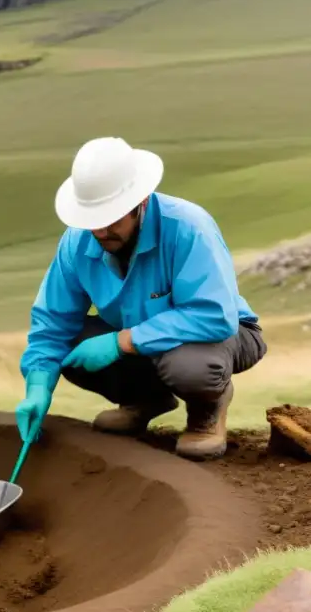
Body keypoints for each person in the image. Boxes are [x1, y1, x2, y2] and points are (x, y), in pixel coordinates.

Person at [15, 137, 267, 460]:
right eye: (94, 221)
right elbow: (51, 324)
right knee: (69, 345)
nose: (102, 232)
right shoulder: (76, 242)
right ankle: (146, 400)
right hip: (144, 339)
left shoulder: (189, 227)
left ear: (141, 201)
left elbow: (214, 315)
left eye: (113, 219)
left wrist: (121, 342)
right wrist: (38, 386)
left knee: (190, 366)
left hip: (224, 335)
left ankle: (208, 410)